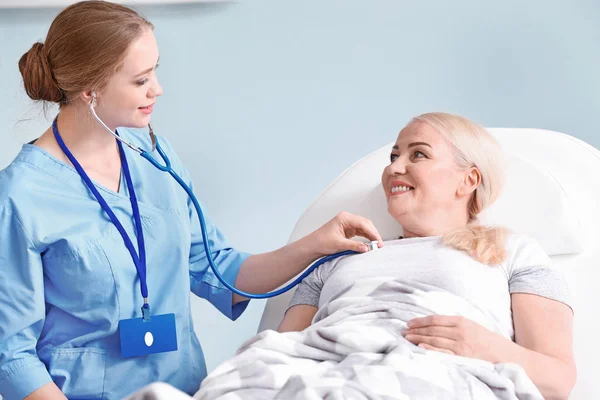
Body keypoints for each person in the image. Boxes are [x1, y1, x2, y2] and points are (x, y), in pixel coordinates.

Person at [0, 2, 383, 399]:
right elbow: (12, 356)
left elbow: (224, 274)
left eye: (156, 72)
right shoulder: (20, 198)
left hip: (185, 390)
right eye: (140, 80)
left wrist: (315, 244)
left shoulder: (155, 158)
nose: (157, 90)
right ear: (90, 88)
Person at [276, 112, 576, 399]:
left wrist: (486, 346)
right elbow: (277, 356)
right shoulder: (336, 261)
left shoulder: (513, 251)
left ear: (468, 180)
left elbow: (557, 381)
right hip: (323, 380)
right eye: (393, 157)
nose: (394, 168)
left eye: (418, 154)